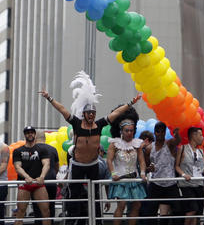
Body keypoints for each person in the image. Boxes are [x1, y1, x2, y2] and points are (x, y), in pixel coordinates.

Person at [39, 72, 139, 224]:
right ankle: (72, 221)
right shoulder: (77, 124)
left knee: (95, 195)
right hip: (78, 165)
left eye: (93, 113)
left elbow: (115, 113)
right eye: (89, 113)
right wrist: (49, 98)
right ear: (84, 114)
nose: (92, 115)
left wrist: (131, 103)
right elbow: (62, 109)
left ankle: (96, 221)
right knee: (74, 195)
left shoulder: (99, 125)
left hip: (93, 165)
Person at [107, 119, 147, 225]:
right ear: (121, 131)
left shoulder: (136, 144)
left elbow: (142, 161)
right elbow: (109, 160)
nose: (129, 133)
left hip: (134, 178)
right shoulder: (114, 144)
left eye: (131, 130)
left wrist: (143, 173)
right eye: (127, 130)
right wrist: (113, 173)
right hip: (120, 178)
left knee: (137, 205)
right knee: (121, 204)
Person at [175, 127, 204, 225]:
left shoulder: (200, 151)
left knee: (198, 212)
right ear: (193, 136)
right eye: (200, 135)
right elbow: (176, 166)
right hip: (187, 185)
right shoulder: (182, 148)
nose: (202, 138)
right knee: (192, 209)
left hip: (199, 185)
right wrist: (184, 174)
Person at [13, 126, 52, 225]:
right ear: (24, 135)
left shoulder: (41, 149)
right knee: (20, 212)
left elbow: (46, 164)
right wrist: (26, 177)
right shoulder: (18, 151)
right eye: (27, 132)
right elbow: (17, 167)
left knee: (46, 211)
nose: (29, 134)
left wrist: (42, 177)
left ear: (34, 134)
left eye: (31, 132)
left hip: (38, 183)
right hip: (24, 183)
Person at [143, 122, 181, 225]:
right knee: (150, 213)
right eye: (158, 131)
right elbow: (146, 167)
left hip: (171, 183)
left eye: (162, 131)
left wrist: (177, 133)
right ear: (154, 132)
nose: (160, 134)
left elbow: (177, 141)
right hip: (156, 183)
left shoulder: (169, 144)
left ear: (165, 132)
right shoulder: (149, 148)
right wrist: (149, 168)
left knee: (178, 212)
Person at [33, 130, 60, 223]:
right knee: (50, 208)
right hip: (51, 183)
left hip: (37, 184)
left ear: (35, 138)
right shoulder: (53, 149)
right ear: (45, 138)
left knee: (37, 210)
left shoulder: (32, 150)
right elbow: (57, 166)